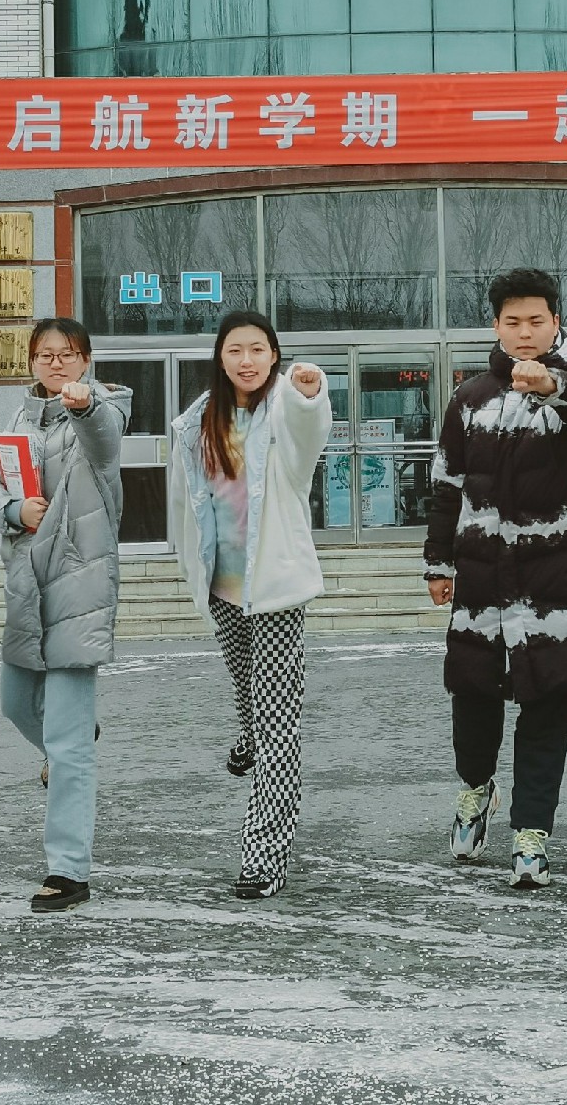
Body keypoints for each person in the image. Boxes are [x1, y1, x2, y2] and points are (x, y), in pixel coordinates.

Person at [426, 267, 567, 889]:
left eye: (536, 321)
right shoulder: (470, 398)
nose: (525, 332)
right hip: (482, 579)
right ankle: (476, 789)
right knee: (473, 698)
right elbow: (447, 484)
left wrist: (552, 384)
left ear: (556, 322)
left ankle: (532, 833)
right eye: (513, 322)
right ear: (496, 326)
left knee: (547, 705)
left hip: (555, 582)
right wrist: (438, 561)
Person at [169, 311, 332, 900]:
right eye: (235, 349)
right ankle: (248, 735)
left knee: (278, 726)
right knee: (249, 697)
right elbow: (188, 499)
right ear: (221, 357)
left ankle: (264, 857)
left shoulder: (283, 409)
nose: (247, 360)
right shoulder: (199, 421)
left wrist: (309, 393)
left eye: (258, 349)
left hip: (277, 592)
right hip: (223, 588)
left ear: (273, 356)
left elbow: (308, 436)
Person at [0, 317, 129, 914]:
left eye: (67, 353)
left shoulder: (104, 407)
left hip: (78, 585)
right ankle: (71, 744)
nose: (56, 363)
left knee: (66, 745)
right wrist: (14, 510)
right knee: (15, 703)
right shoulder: (19, 421)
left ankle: (68, 871)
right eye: (45, 354)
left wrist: (85, 407)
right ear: (32, 360)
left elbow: (104, 440)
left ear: (85, 359)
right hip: (26, 586)